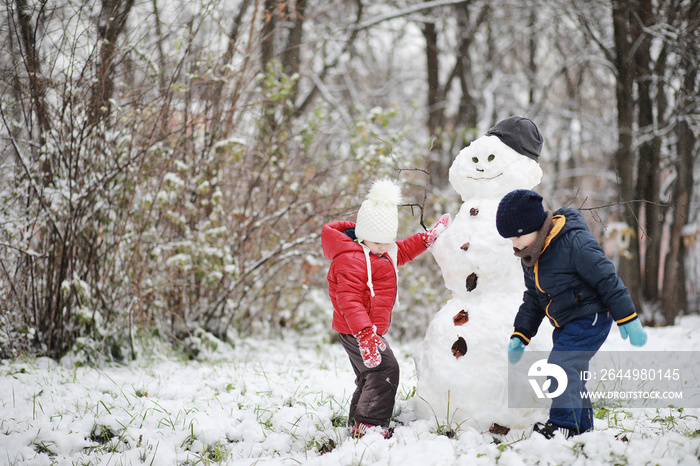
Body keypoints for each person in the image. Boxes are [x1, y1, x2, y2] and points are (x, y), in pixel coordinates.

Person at [496, 189, 648, 439]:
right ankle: (581, 428)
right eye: (509, 239)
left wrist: (627, 318)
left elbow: (607, 278)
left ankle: (564, 425)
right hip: (567, 322)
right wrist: (521, 333)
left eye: (517, 236)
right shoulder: (531, 255)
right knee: (571, 372)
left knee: (561, 366)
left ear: (535, 226)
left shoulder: (573, 242)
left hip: (592, 317)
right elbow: (533, 299)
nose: (514, 244)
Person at [322, 178, 450, 438]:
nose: (383, 247)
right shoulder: (350, 260)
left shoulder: (383, 251)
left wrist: (426, 239)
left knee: (369, 375)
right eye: (376, 241)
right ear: (362, 235)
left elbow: (401, 249)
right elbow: (348, 301)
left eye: (386, 241)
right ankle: (370, 426)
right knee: (384, 369)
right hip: (356, 330)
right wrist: (365, 334)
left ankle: (358, 424)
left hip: (368, 332)